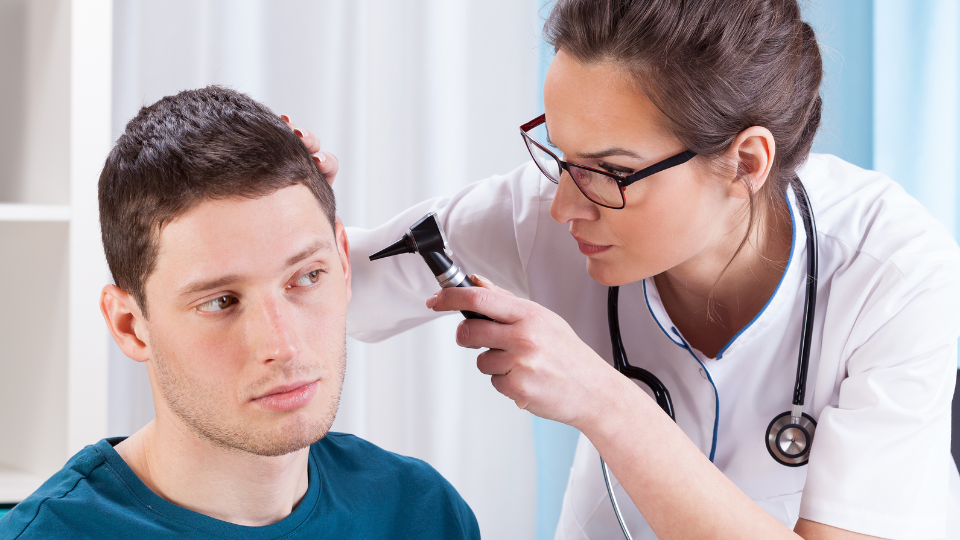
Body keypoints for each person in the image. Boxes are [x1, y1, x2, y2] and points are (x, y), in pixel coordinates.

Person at [292, 0, 960, 538]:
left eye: (611, 171)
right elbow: (342, 287)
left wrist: (604, 401)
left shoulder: (894, 272)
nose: (562, 205)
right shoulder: (536, 215)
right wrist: (288, 210)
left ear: (746, 163)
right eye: (559, 153)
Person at [0, 86, 480, 539]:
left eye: (308, 276)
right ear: (130, 326)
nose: (283, 345)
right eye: (220, 301)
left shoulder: (421, 511)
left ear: (343, 263)